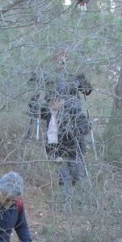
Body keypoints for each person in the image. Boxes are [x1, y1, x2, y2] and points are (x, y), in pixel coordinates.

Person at [28, 52, 93, 188]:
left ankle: (78, 200)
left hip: (74, 146)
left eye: (63, 58)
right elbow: (33, 109)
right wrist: (35, 93)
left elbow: (88, 90)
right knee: (64, 178)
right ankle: (66, 198)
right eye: (58, 58)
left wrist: (76, 131)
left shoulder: (73, 77)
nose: (60, 61)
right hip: (57, 149)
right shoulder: (48, 110)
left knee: (78, 177)